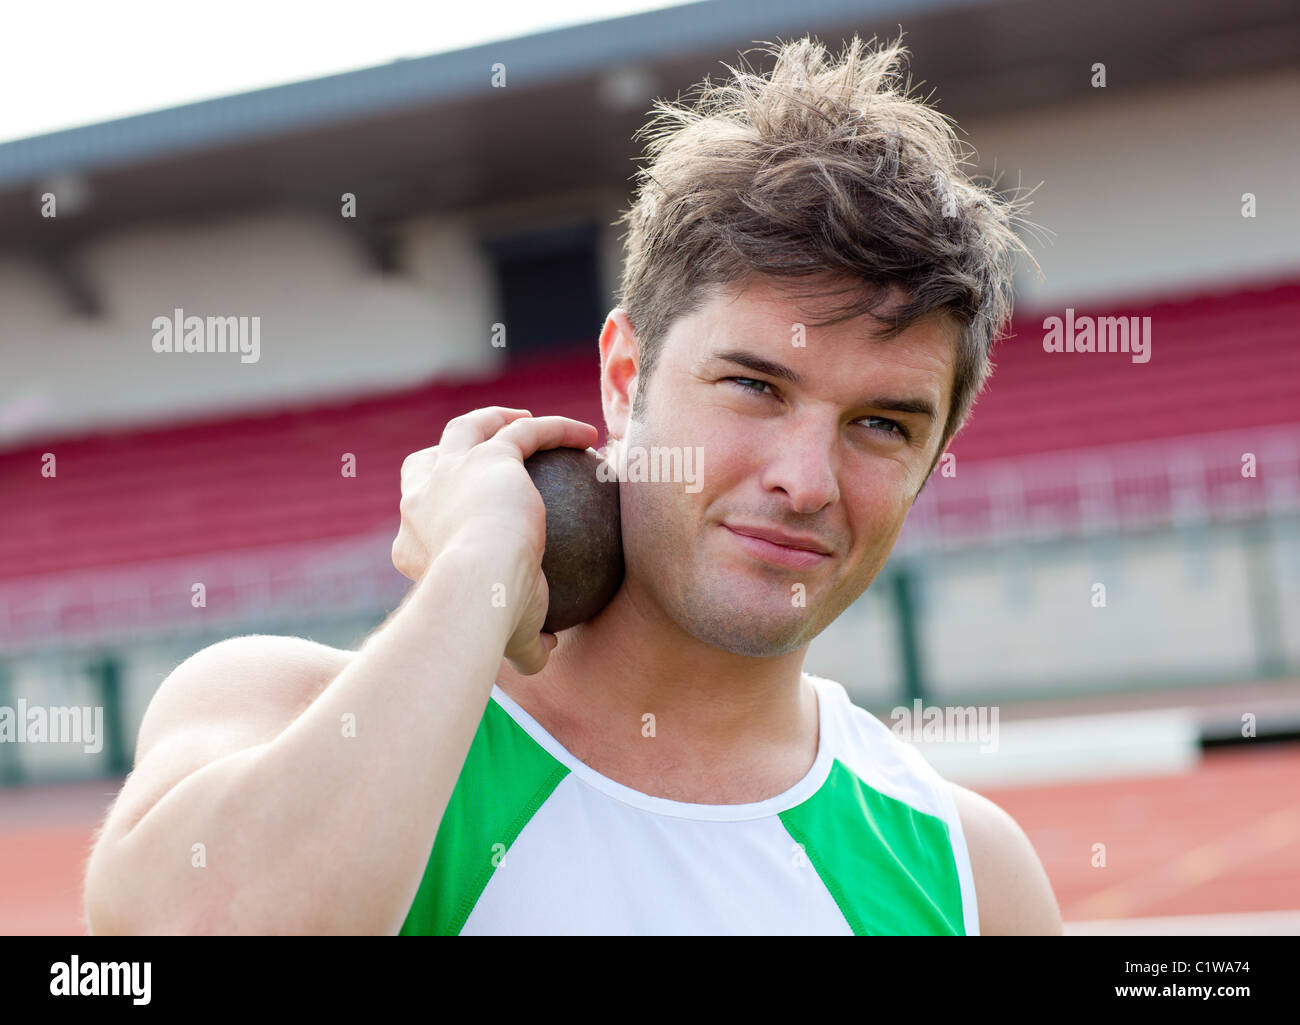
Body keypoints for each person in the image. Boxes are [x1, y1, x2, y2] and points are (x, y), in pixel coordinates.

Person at [84, 34, 1062, 935]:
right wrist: (477, 570)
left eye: (881, 425)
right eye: (753, 387)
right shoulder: (278, 709)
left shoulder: (973, 874)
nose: (804, 481)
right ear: (625, 379)